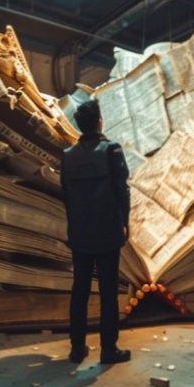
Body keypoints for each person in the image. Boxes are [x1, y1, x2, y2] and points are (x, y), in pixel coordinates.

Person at [60, 100, 131, 365]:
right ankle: (108, 350)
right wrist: (126, 221)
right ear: (100, 122)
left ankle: (77, 349)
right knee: (108, 292)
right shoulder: (112, 150)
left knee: (79, 290)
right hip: (107, 232)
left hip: (80, 233)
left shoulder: (67, 156)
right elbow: (122, 190)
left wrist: (75, 224)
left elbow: (65, 195)